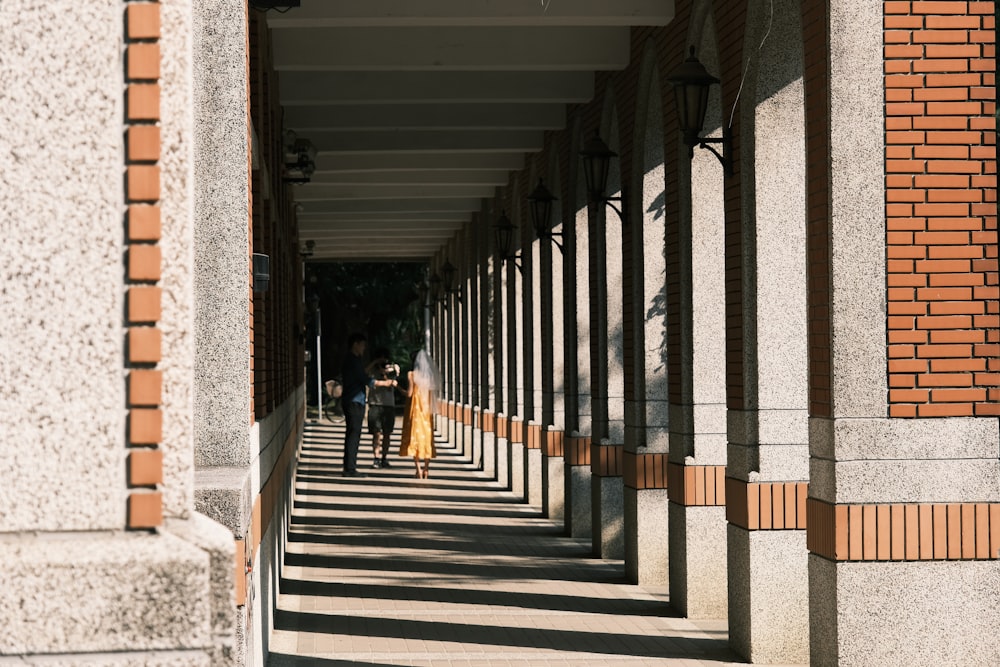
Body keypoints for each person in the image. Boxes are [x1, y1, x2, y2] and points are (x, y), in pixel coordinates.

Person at [340, 333, 396, 477]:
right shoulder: (352, 360)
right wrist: (384, 383)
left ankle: (350, 466)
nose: (364, 348)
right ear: (356, 344)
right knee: (354, 434)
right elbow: (364, 378)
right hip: (354, 401)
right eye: (362, 345)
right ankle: (350, 468)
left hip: (356, 399)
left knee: (354, 434)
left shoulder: (355, 359)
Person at [399, 349, 439, 479]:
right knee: (427, 439)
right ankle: (427, 469)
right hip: (426, 412)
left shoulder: (411, 375)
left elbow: (409, 394)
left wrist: (397, 387)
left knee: (414, 438)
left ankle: (418, 469)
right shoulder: (430, 377)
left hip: (415, 411)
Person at [367, 347, 400, 468]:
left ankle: (384, 458)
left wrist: (391, 370)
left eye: (384, 358)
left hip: (388, 405)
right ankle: (376, 457)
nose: (382, 361)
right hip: (375, 404)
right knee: (376, 433)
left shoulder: (391, 368)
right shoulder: (372, 371)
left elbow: (395, 378)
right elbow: (364, 373)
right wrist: (375, 363)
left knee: (387, 433)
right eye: (380, 358)